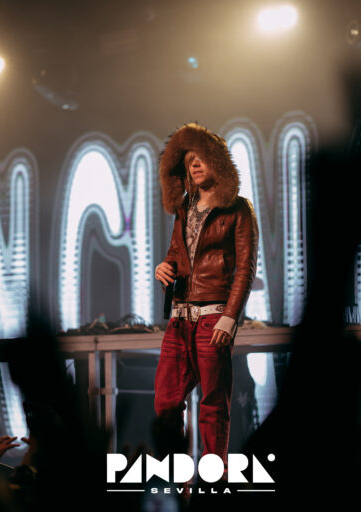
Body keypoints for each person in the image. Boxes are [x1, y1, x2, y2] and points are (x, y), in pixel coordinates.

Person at [153, 122, 259, 463]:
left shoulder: (239, 209)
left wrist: (230, 318)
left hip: (213, 318)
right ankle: (177, 477)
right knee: (166, 402)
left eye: (201, 158)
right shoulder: (184, 209)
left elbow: (245, 268)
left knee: (213, 404)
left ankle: (214, 480)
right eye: (190, 160)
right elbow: (176, 255)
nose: (195, 164)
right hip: (179, 319)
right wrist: (163, 268)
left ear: (219, 162)